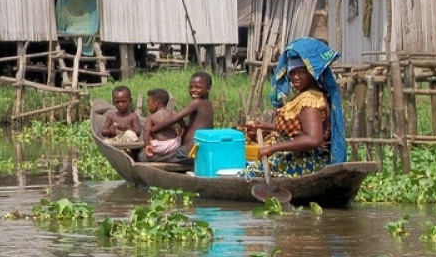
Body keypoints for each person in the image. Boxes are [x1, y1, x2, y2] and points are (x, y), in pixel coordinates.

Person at [240, 38, 346, 179]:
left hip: (310, 162)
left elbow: (313, 139)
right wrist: (268, 126)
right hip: (304, 158)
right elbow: (301, 129)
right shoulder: (307, 96)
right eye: (292, 72)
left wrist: (272, 148)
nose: (296, 77)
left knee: (247, 174)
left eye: (302, 72)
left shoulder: (310, 99)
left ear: (312, 73)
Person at [147, 72, 215, 150]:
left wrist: (153, 129)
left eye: (197, 87)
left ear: (208, 89)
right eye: (191, 87)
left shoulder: (197, 103)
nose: (193, 90)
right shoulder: (206, 104)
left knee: (143, 156)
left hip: (189, 151)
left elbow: (175, 118)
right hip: (195, 149)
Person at [144, 88, 186, 162]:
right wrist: (180, 134)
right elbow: (183, 126)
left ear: (155, 104)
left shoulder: (151, 118)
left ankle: (155, 153)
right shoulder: (173, 113)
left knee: (150, 143)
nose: (148, 107)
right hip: (174, 145)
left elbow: (146, 131)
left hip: (159, 147)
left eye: (148, 104)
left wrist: (147, 145)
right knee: (177, 135)